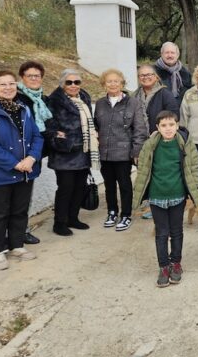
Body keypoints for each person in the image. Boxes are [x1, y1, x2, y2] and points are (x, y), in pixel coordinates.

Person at [0, 71, 44, 270]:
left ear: (17, 85)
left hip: (25, 171)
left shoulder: (23, 109)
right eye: (3, 84)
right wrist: (15, 163)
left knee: (20, 211)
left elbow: (37, 137)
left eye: (11, 84)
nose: (8, 88)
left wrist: (31, 158)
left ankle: (17, 245)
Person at [133, 110, 198, 287]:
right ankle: (163, 266)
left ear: (177, 125)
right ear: (157, 127)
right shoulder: (150, 145)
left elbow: (193, 167)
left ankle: (176, 263)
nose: (168, 128)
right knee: (161, 233)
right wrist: (138, 195)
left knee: (176, 231)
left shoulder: (184, 143)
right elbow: (143, 169)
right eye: (164, 125)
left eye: (171, 125)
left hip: (177, 195)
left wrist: (194, 189)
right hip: (157, 196)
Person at [94, 69, 149, 231]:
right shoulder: (100, 104)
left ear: (122, 83)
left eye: (116, 81)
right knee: (109, 185)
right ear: (104, 84)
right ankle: (112, 212)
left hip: (124, 153)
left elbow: (140, 129)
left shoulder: (133, 103)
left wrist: (137, 151)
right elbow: (97, 126)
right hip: (105, 152)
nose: (112, 84)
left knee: (124, 185)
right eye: (109, 81)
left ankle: (126, 215)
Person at [47, 69, 97, 236]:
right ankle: (59, 223)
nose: (73, 85)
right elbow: (49, 124)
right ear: (62, 84)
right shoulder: (54, 100)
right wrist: (60, 138)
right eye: (69, 82)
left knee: (79, 187)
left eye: (77, 82)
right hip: (65, 153)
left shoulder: (84, 97)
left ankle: (73, 218)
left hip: (83, 151)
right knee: (65, 188)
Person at [15, 60, 52, 245]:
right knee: (13, 198)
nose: (34, 79)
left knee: (24, 197)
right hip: (19, 155)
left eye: (37, 76)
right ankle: (14, 233)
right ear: (22, 77)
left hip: (34, 154)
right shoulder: (17, 98)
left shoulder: (41, 99)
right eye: (30, 76)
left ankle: (21, 230)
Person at [133, 64, 179, 130]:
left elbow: (174, 118)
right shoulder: (134, 96)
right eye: (142, 75)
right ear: (138, 78)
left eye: (149, 74)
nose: (145, 77)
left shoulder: (166, 95)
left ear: (156, 77)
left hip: (160, 136)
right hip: (140, 137)